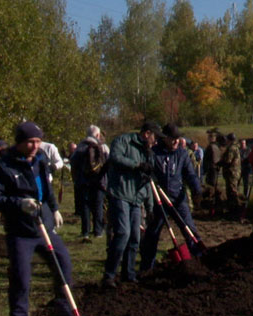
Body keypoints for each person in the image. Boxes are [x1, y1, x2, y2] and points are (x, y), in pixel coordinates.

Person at [0, 122, 71, 316]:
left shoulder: (41, 160)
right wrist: (18, 203)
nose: (34, 146)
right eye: (30, 142)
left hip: (45, 227)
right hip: (20, 232)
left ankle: (64, 315)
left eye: (38, 141)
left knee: (63, 265)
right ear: (19, 142)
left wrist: (55, 208)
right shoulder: (3, 166)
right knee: (21, 280)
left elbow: (47, 189)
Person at [139, 123, 201, 273]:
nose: (176, 142)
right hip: (159, 200)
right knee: (152, 234)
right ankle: (147, 268)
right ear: (165, 138)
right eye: (173, 139)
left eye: (178, 139)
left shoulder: (182, 154)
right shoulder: (154, 153)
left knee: (189, 230)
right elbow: (146, 173)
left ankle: (200, 258)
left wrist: (197, 189)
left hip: (178, 200)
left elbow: (190, 174)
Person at [102, 121, 157, 288]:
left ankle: (129, 273)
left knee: (135, 236)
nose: (156, 142)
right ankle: (109, 275)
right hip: (119, 194)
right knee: (123, 233)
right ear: (147, 134)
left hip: (136, 198)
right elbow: (115, 158)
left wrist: (150, 206)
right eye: (154, 138)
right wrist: (137, 165)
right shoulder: (123, 141)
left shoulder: (149, 153)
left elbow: (148, 182)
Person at [70, 125, 109, 241]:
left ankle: (85, 231)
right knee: (98, 205)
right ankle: (98, 231)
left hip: (84, 181)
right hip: (99, 180)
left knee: (85, 206)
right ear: (98, 135)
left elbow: (73, 163)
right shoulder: (103, 147)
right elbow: (109, 163)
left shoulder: (80, 146)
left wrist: (76, 179)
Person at [219, 132, 242, 211]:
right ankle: (233, 207)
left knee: (232, 191)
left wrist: (220, 162)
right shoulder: (236, 147)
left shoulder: (231, 148)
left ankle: (235, 208)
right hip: (235, 172)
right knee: (233, 189)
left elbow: (228, 160)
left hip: (232, 172)